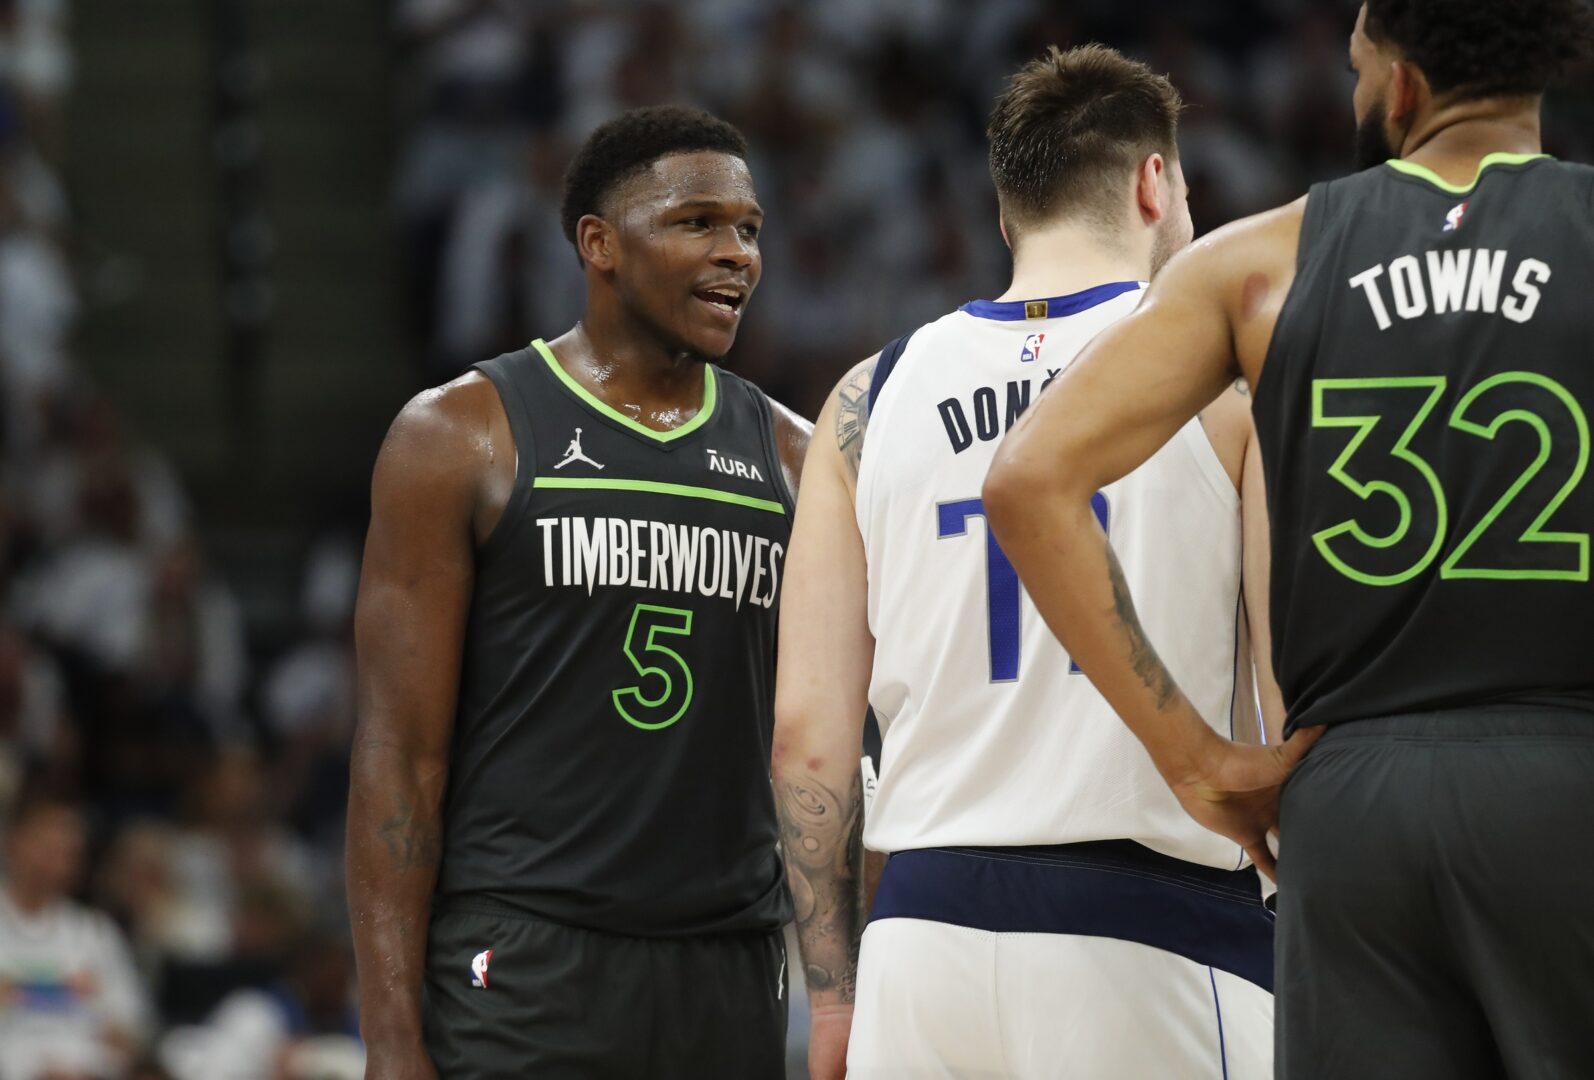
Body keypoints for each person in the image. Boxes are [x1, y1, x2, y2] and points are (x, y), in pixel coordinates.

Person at [983, 3, 1594, 1077]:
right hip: (1566, 778)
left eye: (1358, 70)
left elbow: (1027, 479)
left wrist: (1196, 760)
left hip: (1350, 805)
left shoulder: (1257, 261)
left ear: (1401, 85)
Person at [774, 45, 1280, 1079]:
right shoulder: (1228, 378)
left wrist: (834, 998)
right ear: (1154, 184)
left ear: (1008, 219)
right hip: (1154, 929)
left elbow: (806, 740)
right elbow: (1291, 690)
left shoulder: (867, 397)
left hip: (921, 942)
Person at [347, 105, 811, 1079]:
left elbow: (830, 747)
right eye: (697, 223)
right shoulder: (458, 437)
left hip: (728, 958)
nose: (736, 254)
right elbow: (398, 757)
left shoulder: (797, 458)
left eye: (748, 228)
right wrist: (389, 1039)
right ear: (599, 244)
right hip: (524, 954)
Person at [0, 790, 150, 1080]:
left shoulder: (95, 932)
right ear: (13, 842)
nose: (59, 861)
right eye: (48, 847)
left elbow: (128, 1029)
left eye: (69, 851)